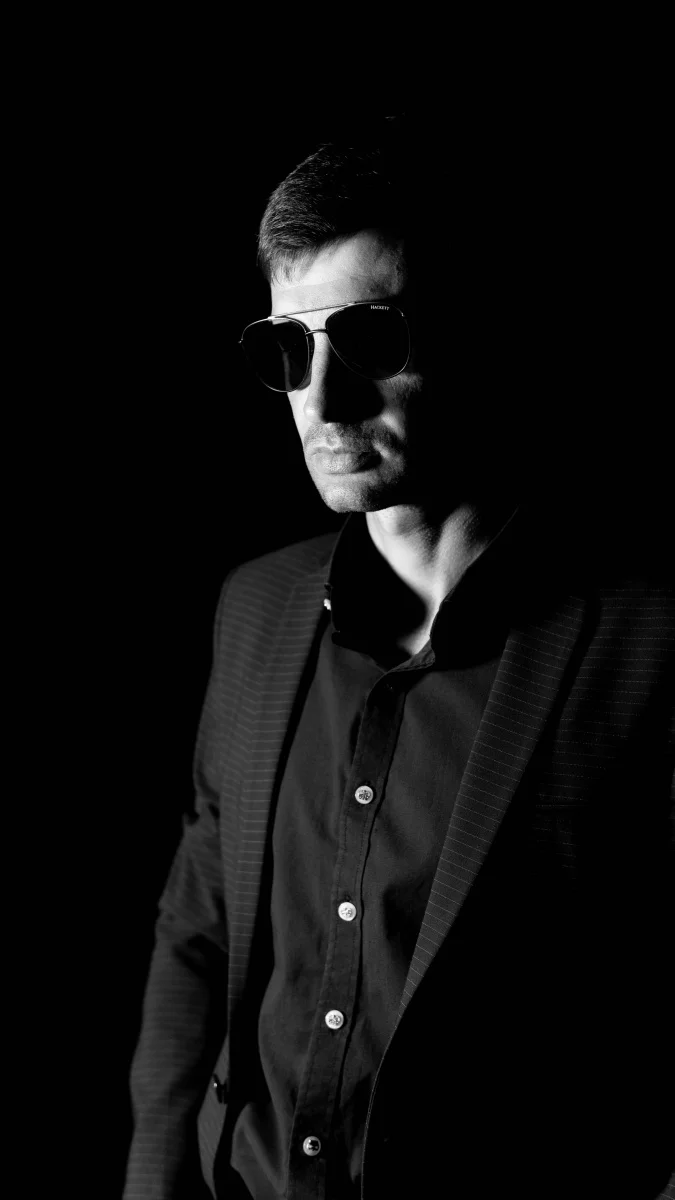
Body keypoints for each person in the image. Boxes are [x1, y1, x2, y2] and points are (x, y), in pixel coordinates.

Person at [124, 116, 675, 1199]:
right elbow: (198, 931)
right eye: (287, 351)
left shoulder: (648, 642)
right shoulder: (254, 611)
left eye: (371, 339)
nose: (322, 400)